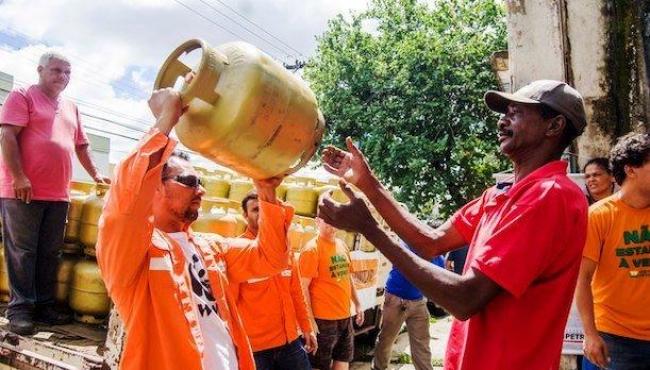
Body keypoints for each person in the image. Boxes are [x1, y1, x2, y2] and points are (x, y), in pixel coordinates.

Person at [318, 80, 589, 370]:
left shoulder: (549, 196)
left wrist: (370, 229)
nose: (502, 121)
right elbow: (429, 241)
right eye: (504, 112)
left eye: (516, 112)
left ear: (554, 126)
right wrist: (367, 182)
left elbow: (466, 298)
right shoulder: (501, 195)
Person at [96, 88, 294, 370]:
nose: (200, 190)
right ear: (156, 187)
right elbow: (124, 200)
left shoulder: (210, 248)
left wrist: (266, 192)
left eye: (201, 182)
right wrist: (166, 118)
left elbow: (273, 258)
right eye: (189, 180)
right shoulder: (134, 255)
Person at [0, 51, 110, 335]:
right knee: (23, 252)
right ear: (40, 70)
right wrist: (19, 176)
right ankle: (20, 309)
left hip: (58, 193)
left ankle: (44, 306)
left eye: (67, 72)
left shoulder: (71, 106)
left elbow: (82, 145)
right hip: (22, 189)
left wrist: (97, 174)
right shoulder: (22, 95)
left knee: (49, 252)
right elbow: (7, 135)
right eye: (57, 70)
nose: (63, 76)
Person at [575, 133, 650, 369]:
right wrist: (590, 333)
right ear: (631, 170)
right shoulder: (599, 215)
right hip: (617, 338)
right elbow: (582, 277)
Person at [234, 191, 316, 370]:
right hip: (257, 349)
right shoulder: (238, 252)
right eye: (256, 210)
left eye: (265, 209)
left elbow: (296, 292)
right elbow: (230, 304)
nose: (263, 215)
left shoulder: (284, 250)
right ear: (245, 216)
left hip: (290, 341)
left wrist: (306, 327)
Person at [299, 213, 364, 370]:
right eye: (326, 220)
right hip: (322, 320)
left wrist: (358, 304)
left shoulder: (342, 245)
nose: (330, 223)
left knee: (343, 359)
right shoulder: (312, 249)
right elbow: (302, 288)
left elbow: (348, 278)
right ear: (317, 222)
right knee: (318, 365)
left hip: (344, 317)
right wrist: (310, 322)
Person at [372, 240, 434, 370]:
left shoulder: (434, 252)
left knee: (421, 343)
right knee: (387, 339)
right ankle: (378, 368)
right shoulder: (404, 246)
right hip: (396, 299)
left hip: (418, 301)